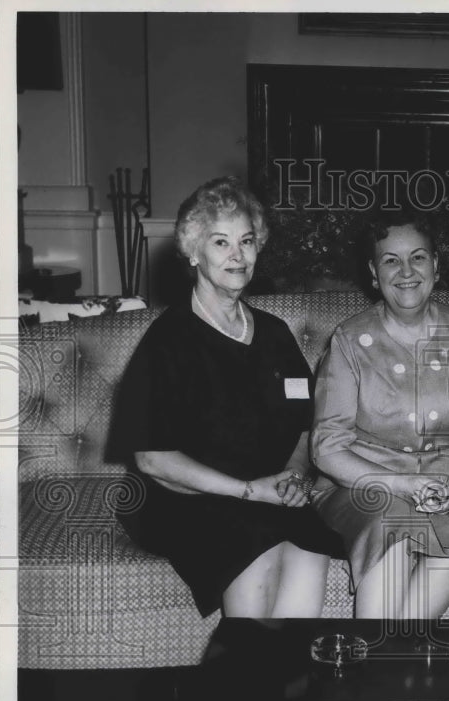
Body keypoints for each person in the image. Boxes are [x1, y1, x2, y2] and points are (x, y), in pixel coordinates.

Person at [115, 176, 341, 622]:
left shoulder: (275, 334)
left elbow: (303, 424)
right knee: (257, 550)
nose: (237, 255)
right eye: (221, 242)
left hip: (266, 490)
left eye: (247, 241)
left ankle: (284, 684)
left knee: (308, 550)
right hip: (188, 497)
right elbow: (154, 460)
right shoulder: (168, 341)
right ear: (194, 252)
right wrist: (247, 490)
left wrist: (293, 476)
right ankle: (244, 682)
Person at [310, 211, 449, 619]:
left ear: (437, 265)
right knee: (391, 523)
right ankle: (383, 666)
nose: (406, 272)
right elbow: (327, 449)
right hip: (361, 484)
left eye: (418, 257)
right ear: (373, 273)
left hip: (442, 488)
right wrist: (401, 483)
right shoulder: (349, 339)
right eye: (390, 260)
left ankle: (392, 664)